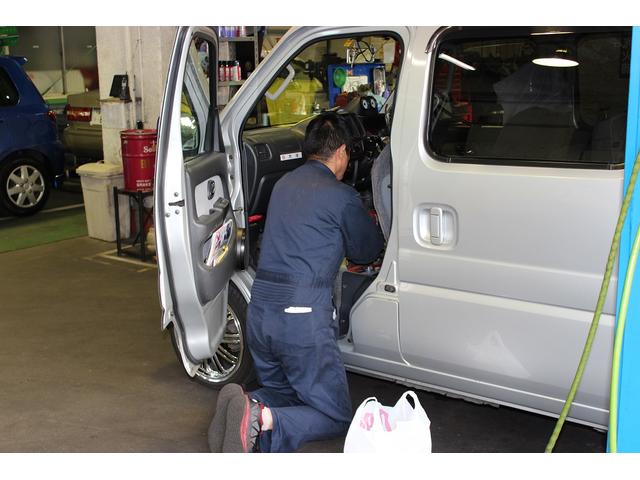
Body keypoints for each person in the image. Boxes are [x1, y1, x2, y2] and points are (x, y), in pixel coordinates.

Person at [208, 112, 384, 453]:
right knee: (335, 416)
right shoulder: (342, 196)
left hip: (260, 312)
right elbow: (366, 250)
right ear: (342, 152)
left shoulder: (283, 185)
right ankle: (261, 419)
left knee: (284, 393)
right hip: (301, 318)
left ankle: (245, 404)